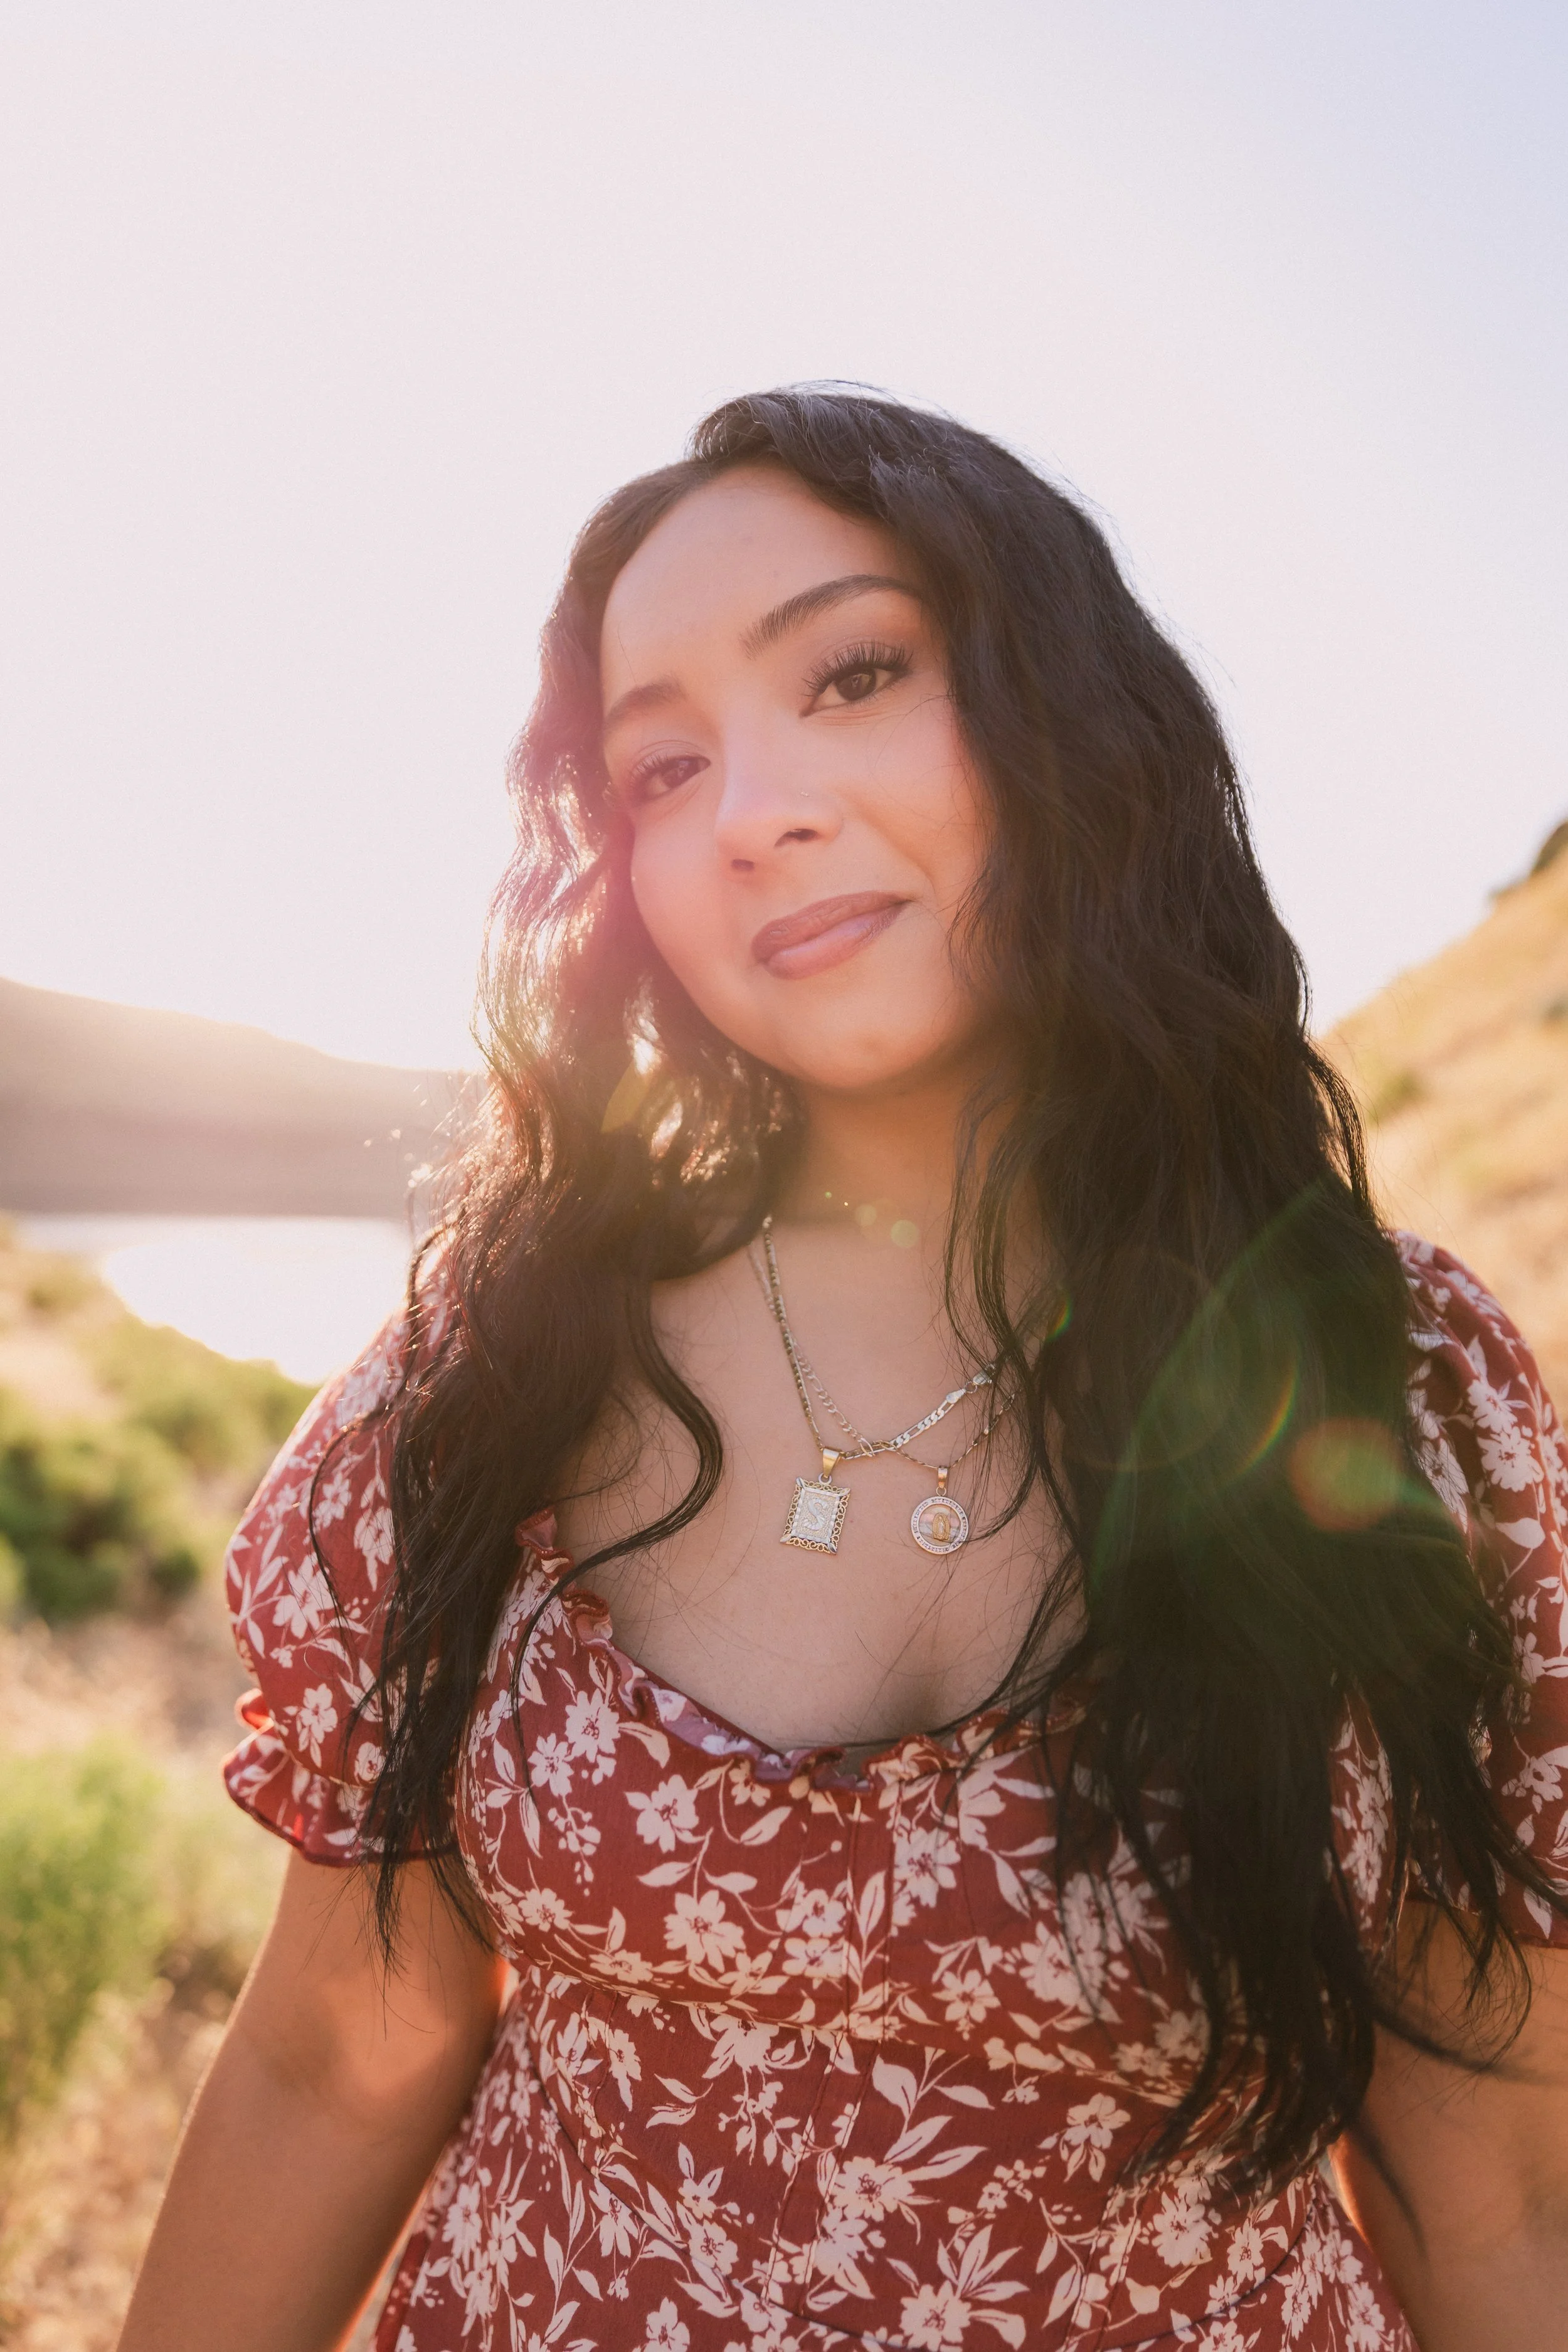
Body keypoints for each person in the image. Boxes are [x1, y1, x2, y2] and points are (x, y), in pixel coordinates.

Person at [119, 389, 1568, 2352]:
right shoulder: (500, 1369)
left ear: (1069, 716)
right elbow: (330, 2060)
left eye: (857, 670)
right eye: (658, 769)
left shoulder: (1390, 1385)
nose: (749, 811)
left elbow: (1491, 2166)